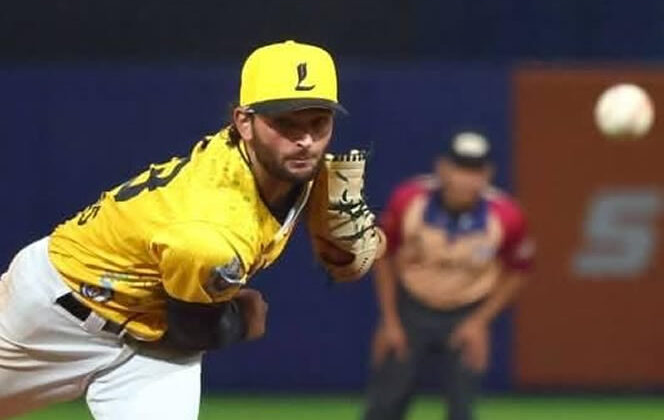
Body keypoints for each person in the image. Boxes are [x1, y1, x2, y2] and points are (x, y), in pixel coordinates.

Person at [0, 39, 382, 419]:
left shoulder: (297, 169)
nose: (305, 141)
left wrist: (370, 245)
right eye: (285, 123)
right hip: (53, 316)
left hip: (152, 347)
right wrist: (243, 319)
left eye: (318, 122)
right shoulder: (210, 227)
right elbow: (193, 330)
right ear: (244, 123)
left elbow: (360, 244)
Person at [364, 130, 533, 420]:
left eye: (476, 170)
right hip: (412, 309)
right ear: (443, 168)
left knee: (462, 408)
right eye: (460, 168)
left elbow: (519, 271)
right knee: (385, 403)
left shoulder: (506, 215)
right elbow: (381, 255)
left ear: (488, 175)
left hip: (466, 313)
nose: (467, 179)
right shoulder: (409, 200)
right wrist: (390, 320)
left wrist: (480, 322)